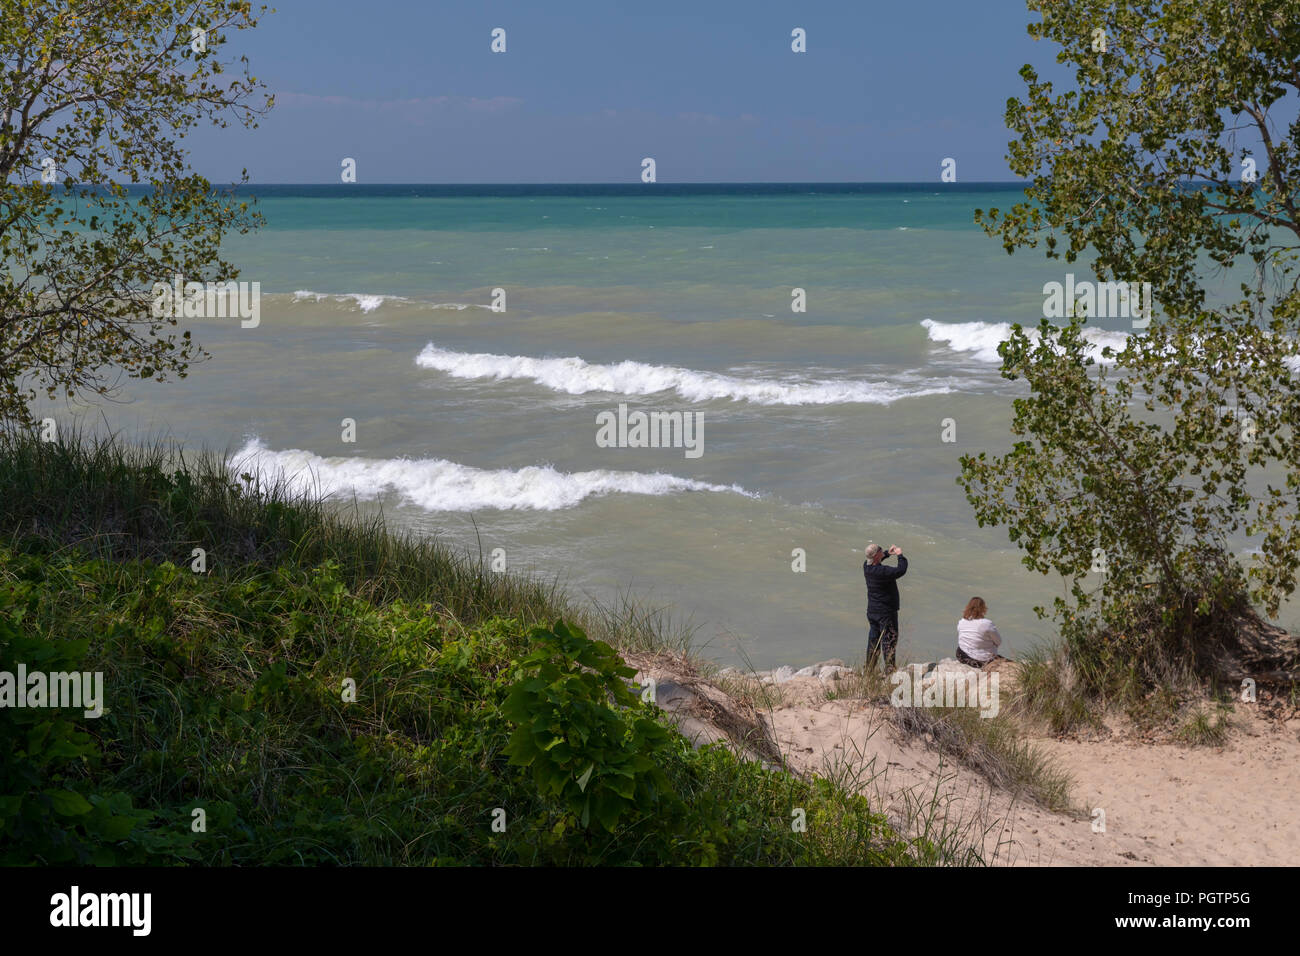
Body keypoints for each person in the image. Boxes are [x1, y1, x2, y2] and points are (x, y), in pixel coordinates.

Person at [863, 542, 907, 671]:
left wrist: (888, 553)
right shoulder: (882, 572)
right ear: (876, 555)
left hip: (872, 611)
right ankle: (890, 669)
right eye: (880, 550)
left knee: (873, 641)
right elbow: (901, 570)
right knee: (889, 640)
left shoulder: (867, 567)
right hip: (886, 612)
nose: (883, 550)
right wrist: (900, 555)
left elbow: (878, 559)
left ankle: (869, 670)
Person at [956, 596, 1009, 668]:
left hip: (962, 656)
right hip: (982, 660)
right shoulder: (987, 624)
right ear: (983, 609)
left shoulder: (962, 622)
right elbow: (998, 642)